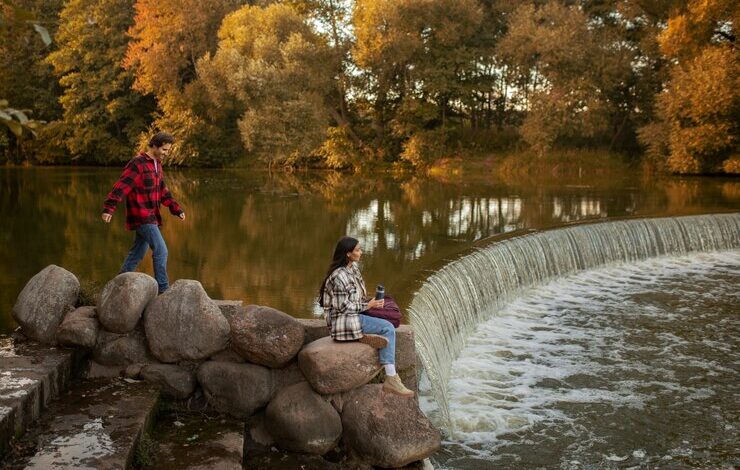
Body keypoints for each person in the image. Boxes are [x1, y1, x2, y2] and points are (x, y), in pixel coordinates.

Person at [319, 236, 414, 397]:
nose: (361, 252)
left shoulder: (353, 268)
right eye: (357, 250)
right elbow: (343, 307)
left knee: (389, 313)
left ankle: (360, 335)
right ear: (348, 254)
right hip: (342, 320)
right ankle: (391, 378)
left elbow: (357, 296)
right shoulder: (338, 276)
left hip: (355, 313)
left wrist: (373, 302)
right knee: (387, 328)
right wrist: (368, 306)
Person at [101, 132, 185, 294]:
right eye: (165, 150)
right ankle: (163, 289)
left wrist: (176, 209)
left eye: (168, 150)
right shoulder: (137, 164)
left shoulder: (156, 164)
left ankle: (118, 284)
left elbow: (162, 191)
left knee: (137, 253)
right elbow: (121, 186)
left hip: (152, 215)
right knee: (161, 250)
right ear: (154, 145)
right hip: (141, 215)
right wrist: (109, 208)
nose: (167, 153)